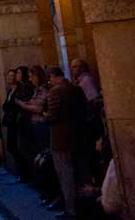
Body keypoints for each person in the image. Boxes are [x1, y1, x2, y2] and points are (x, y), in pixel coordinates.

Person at [43, 66, 86, 219]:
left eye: (50, 78)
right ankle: (82, 206)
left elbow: (52, 116)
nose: (49, 81)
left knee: (65, 174)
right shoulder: (76, 89)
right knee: (78, 173)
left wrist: (44, 115)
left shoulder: (55, 91)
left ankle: (71, 209)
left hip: (61, 138)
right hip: (78, 136)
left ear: (54, 76)